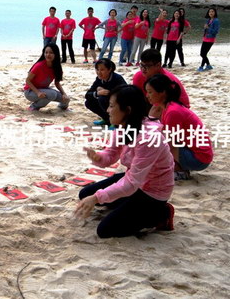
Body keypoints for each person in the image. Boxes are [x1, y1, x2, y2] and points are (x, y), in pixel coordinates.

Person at [74, 85, 175, 238]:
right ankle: (128, 206)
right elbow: (111, 155)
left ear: (127, 110)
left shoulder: (148, 138)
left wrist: (97, 198)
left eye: (112, 106)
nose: (107, 110)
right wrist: (98, 157)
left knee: (105, 230)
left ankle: (162, 214)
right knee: (85, 194)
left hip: (152, 191)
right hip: (136, 182)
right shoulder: (122, 128)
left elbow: (130, 183)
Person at [145, 74, 214, 180]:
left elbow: (169, 143)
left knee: (159, 145)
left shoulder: (173, 111)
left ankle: (178, 170)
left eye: (150, 92)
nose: (147, 95)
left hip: (199, 158)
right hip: (196, 152)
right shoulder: (169, 107)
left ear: (162, 92)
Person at [132, 49, 190, 118]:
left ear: (158, 65)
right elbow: (136, 100)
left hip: (176, 108)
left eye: (147, 66)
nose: (143, 69)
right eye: (141, 65)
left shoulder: (166, 80)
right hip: (155, 103)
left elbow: (165, 105)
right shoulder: (139, 77)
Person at [23, 43, 70, 111]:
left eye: (51, 53)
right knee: (52, 94)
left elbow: (57, 83)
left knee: (67, 99)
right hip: (30, 92)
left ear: (55, 54)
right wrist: (38, 92)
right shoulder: (39, 66)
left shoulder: (57, 67)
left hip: (44, 89)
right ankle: (34, 106)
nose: (48, 55)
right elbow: (28, 80)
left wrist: (64, 94)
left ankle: (61, 107)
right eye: (46, 52)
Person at [84, 58, 127, 126]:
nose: (99, 72)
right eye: (97, 69)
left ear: (109, 70)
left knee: (102, 98)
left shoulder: (117, 78)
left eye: (102, 70)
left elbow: (125, 94)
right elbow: (87, 95)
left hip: (120, 105)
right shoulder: (99, 79)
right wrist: (97, 93)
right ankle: (107, 119)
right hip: (109, 103)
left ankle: (115, 123)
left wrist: (107, 92)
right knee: (88, 102)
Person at [198, 8, 220, 72]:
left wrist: (208, 28)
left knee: (203, 54)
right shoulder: (208, 20)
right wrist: (205, 28)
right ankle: (208, 65)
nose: (211, 13)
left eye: (212, 11)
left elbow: (215, 31)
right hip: (205, 38)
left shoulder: (216, 21)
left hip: (210, 39)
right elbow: (206, 29)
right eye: (210, 11)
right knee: (202, 53)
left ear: (215, 13)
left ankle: (201, 66)